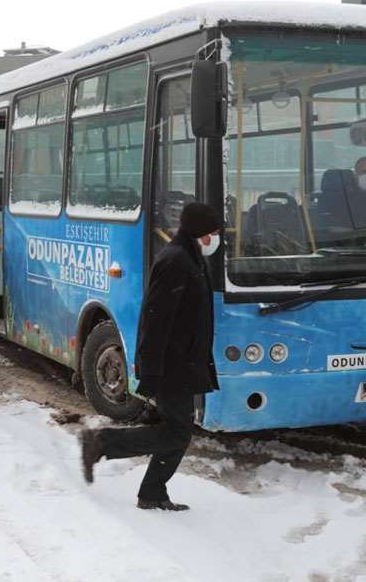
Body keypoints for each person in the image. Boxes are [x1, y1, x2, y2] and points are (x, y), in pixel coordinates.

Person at [79, 203, 221, 511]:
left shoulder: (190, 258)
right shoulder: (175, 261)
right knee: (177, 431)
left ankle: (152, 491)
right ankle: (101, 443)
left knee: (178, 431)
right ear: (200, 231)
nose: (215, 238)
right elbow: (154, 319)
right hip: (172, 365)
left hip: (184, 362)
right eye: (212, 232)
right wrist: (151, 370)